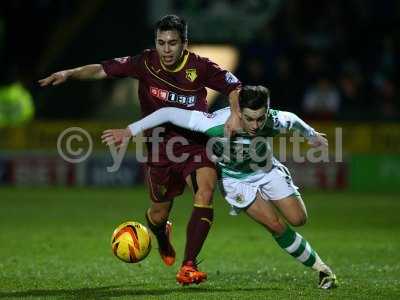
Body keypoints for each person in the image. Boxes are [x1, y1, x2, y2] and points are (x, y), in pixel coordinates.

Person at [39, 15, 242, 285]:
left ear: (184, 43)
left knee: (205, 192)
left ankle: (188, 265)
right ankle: (160, 234)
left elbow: (235, 86)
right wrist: (69, 73)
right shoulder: (144, 62)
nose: (166, 49)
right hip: (159, 147)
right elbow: (102, 69)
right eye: (161, 43)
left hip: (195, 143)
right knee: (157, 215)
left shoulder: (200, 67)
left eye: (172, 43)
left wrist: (235, 115)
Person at [102, 85, 338, 289]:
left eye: (260, 118)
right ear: (238, 112)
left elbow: (293, 119)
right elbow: (167, 112)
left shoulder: (275, 120)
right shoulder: (214, 123)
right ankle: (323, 270)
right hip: (235, 181)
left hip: (266, 171)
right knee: (275, 225)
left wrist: (311, 134)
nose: (255, 125)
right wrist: (130, 130)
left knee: (298, 219)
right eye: (249, 118)